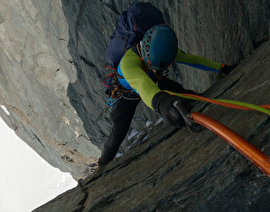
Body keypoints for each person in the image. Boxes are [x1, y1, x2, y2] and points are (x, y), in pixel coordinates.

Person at [97, 24, 236, 167]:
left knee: (183, 96)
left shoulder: (164, 50)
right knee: (118, 132)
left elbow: (193, 60)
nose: (160, 70)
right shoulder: (129, 64)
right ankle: (102, 164)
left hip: (151, 81)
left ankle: (193, 99)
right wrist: (163, 105)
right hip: (127, 94)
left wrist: (222, 68)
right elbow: (142, 85)